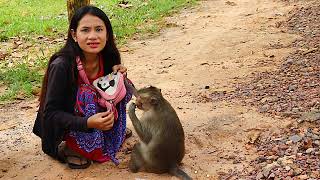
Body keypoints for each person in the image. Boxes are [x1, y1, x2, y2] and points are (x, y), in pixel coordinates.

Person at [33, 5, 133, 169]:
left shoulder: (109, 56)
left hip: (92, 119)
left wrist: (119, 77)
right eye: (85, 30)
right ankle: (68, 146)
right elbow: (50, 115)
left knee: (120, 87)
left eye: (99, 29)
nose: (93, 36)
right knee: (86, 93)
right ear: (74, 34)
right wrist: (87, 122)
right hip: (66, 126)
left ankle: (105, 133)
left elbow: (110, 95)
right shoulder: (62, 65)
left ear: (107, 34)